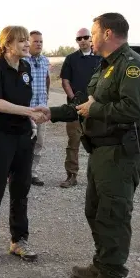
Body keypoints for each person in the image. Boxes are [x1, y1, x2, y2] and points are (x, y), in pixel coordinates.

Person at [33, 13, 140, 278]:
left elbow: (133, 109)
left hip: (122, 152)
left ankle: (111, 275)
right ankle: (101, 263)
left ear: (108, 33)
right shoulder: (106, 66)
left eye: (95, 32)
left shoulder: (132, 66)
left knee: (113, 213)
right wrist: (54, 113)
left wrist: (95, 110)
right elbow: (84, 104)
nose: (91, 38)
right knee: (95, 211)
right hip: (101, 151)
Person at [0, 25, 47, 264]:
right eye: (21, 41)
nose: (27, 44)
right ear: (7, 45)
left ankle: (19, 241)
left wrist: (32, 121)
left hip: (22, 136)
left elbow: (23, 100)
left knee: (21, 189)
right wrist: (29, 111)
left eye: (27, 40)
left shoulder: (25, 67)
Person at [57, 28, 102, 188]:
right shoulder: (71, 59)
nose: (82, 40)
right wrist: (73, 98)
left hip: (96, 108)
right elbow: (65, 81)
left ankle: (98, 178)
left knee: (99, 144)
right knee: (73, 142)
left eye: (85, 37)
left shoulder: (100, 58)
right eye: (79, 38)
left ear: (90, 38)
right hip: (75, 108)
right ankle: (71, 176)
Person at [27, 30, 50, 186]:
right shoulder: (22, 61)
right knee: (23, 143)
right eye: (35, 41)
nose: (39, 44)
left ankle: (32, 173)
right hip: (26, 109)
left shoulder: (45, 61)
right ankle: (15, 173)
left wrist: (46, 99)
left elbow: (47, 79)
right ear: (28, 43)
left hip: (41, 110)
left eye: (41, 41)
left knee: (39, 143)